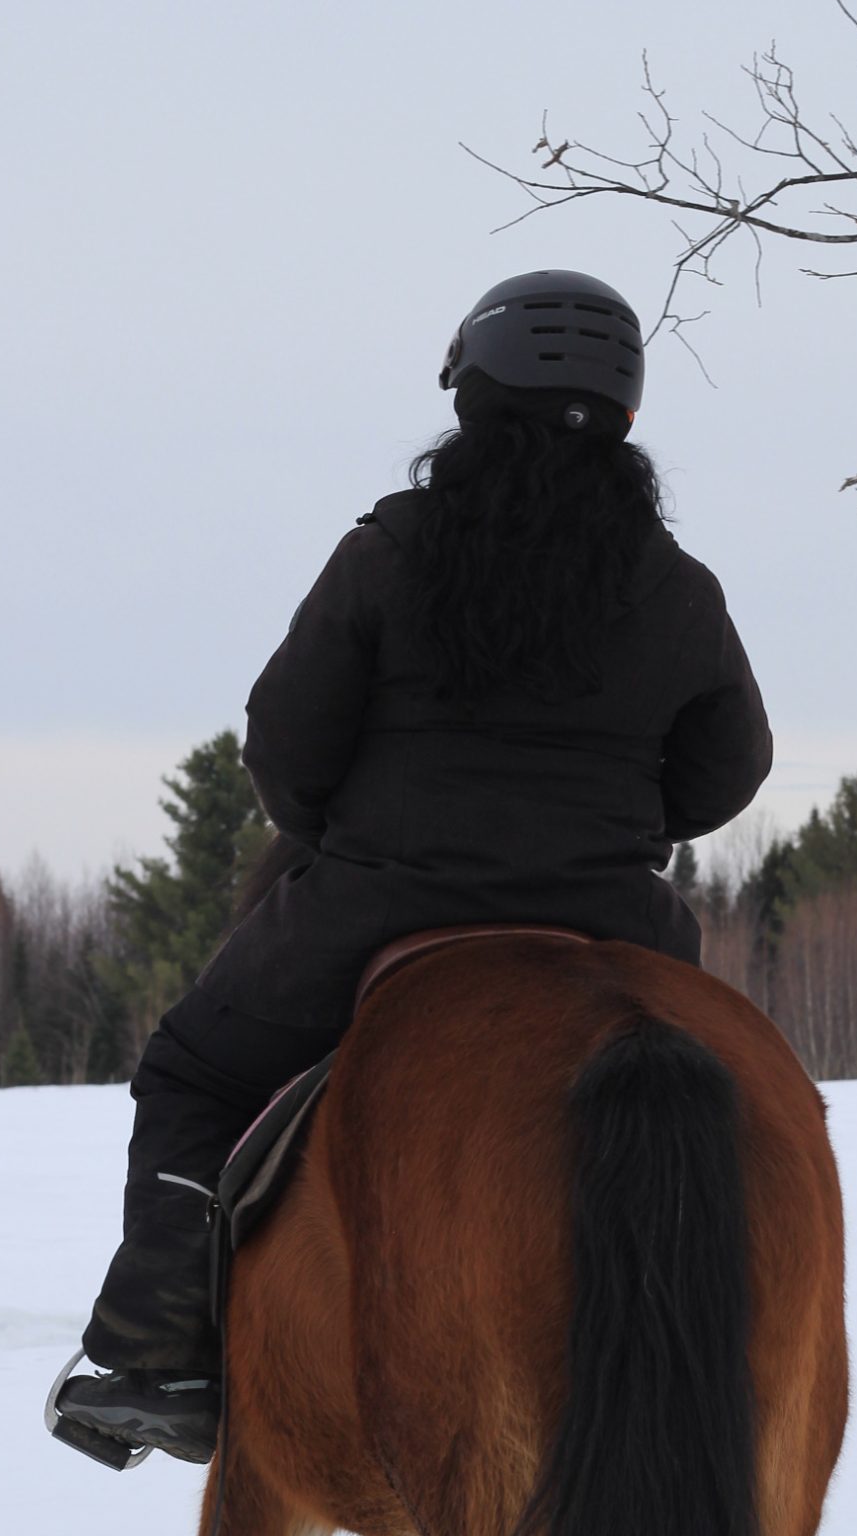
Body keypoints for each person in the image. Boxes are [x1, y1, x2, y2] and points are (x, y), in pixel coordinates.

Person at [54, 269, 772, 1466]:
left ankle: (164, 1355)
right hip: (613, 923)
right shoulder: (679, 589)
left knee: (192, 1070)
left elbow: (285, 741)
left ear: (472, 401)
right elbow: (729, 771)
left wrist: (333, 838)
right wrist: (626, 822)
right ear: (629, 421)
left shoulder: (391, 551)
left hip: (381, 903)